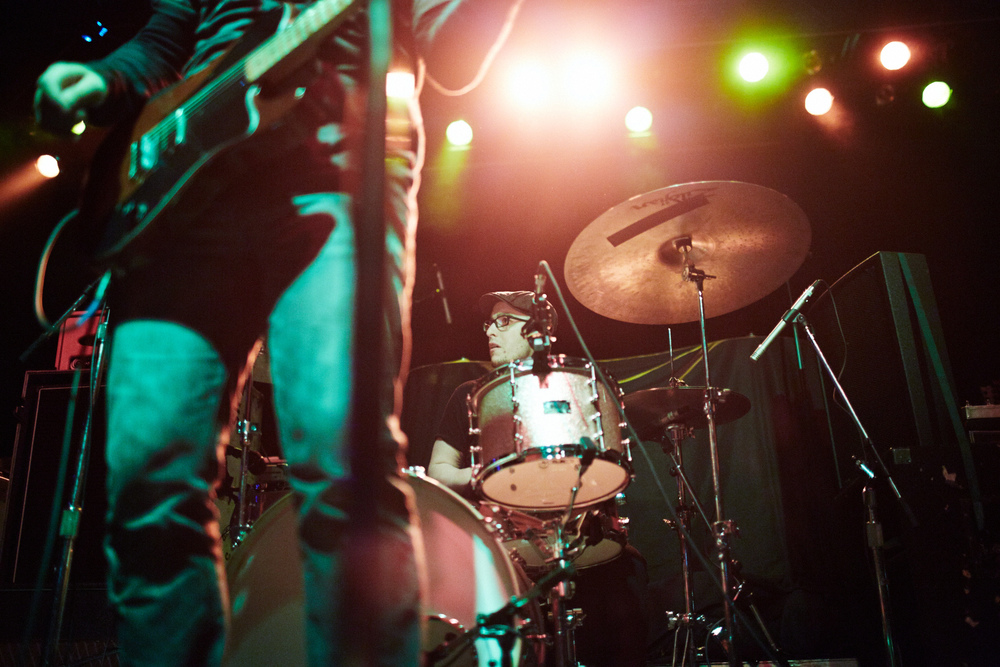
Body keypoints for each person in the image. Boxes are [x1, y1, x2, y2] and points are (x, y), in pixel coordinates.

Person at [33, 2, 522, 665]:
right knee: (149, 480)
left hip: (338, 160)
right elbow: (167, 39)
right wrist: (101, 79)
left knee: (342, 457)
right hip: (188, 194)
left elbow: (457, 57)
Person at [428, 291, 651, 667]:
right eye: (488, 324)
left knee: (629, 572)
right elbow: (438, 471)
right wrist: (491, 472)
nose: (489, 332)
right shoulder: (468, 395)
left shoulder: (575, 389)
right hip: (503, 544)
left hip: (576, 538)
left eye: (503, 322)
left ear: (536, 334)